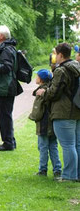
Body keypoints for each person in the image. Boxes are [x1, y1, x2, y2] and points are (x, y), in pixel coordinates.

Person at [36, 43, 80, 182]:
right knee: (76, 144)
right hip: (76, 109)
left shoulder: (61, 70)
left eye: (55, 53)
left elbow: (54, 93)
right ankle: (76, 174)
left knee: (68, 145)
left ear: (60, 54)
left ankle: (69, 176)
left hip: (64, 111)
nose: (54, 56)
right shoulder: (76, 66)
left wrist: (43, 92)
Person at [0, 25, 23, 151]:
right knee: (6, 114)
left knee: (4, 115)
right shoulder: (8, 48)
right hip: (6, 86)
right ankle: (10, 140)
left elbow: (6, 67)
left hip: (6, 87)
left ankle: (8, 142)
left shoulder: (6, 49)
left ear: (2, 36)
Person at [29, 69, 62, 178]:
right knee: (53, 146)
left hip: (43, 123)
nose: (36, 78)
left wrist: (33, 117)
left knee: (43, 147)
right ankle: (57, 170)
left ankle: (42, 170)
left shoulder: (41, 92)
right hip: (52, 122)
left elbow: (37, 110)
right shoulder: (51, 90)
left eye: (37, 76)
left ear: (41, 79)